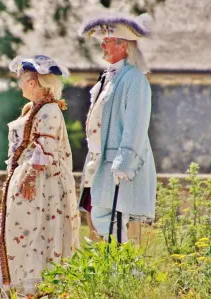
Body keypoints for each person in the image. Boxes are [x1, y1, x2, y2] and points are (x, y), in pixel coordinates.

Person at [0, 55, 80, 297]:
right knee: (23, 234)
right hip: (26, 181)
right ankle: (21, 289)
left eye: (22, 80)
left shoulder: (49, 109)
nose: (20, 84)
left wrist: (29, 178)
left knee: (37, 234)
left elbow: (46, 149)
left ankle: (36, 289)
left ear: (33, 82)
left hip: (42, 187)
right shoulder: (34, 108)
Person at [78, 13, 156, 242]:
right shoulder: (109, 77)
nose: (102, 43)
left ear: (124, 45)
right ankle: (105, 275)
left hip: (118, 166)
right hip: (99, 162)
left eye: (108, 39)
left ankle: (121, 276)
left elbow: (136, 123)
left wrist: (124, 163)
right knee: (98, 222)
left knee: (116, 228)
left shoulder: (134, 79)